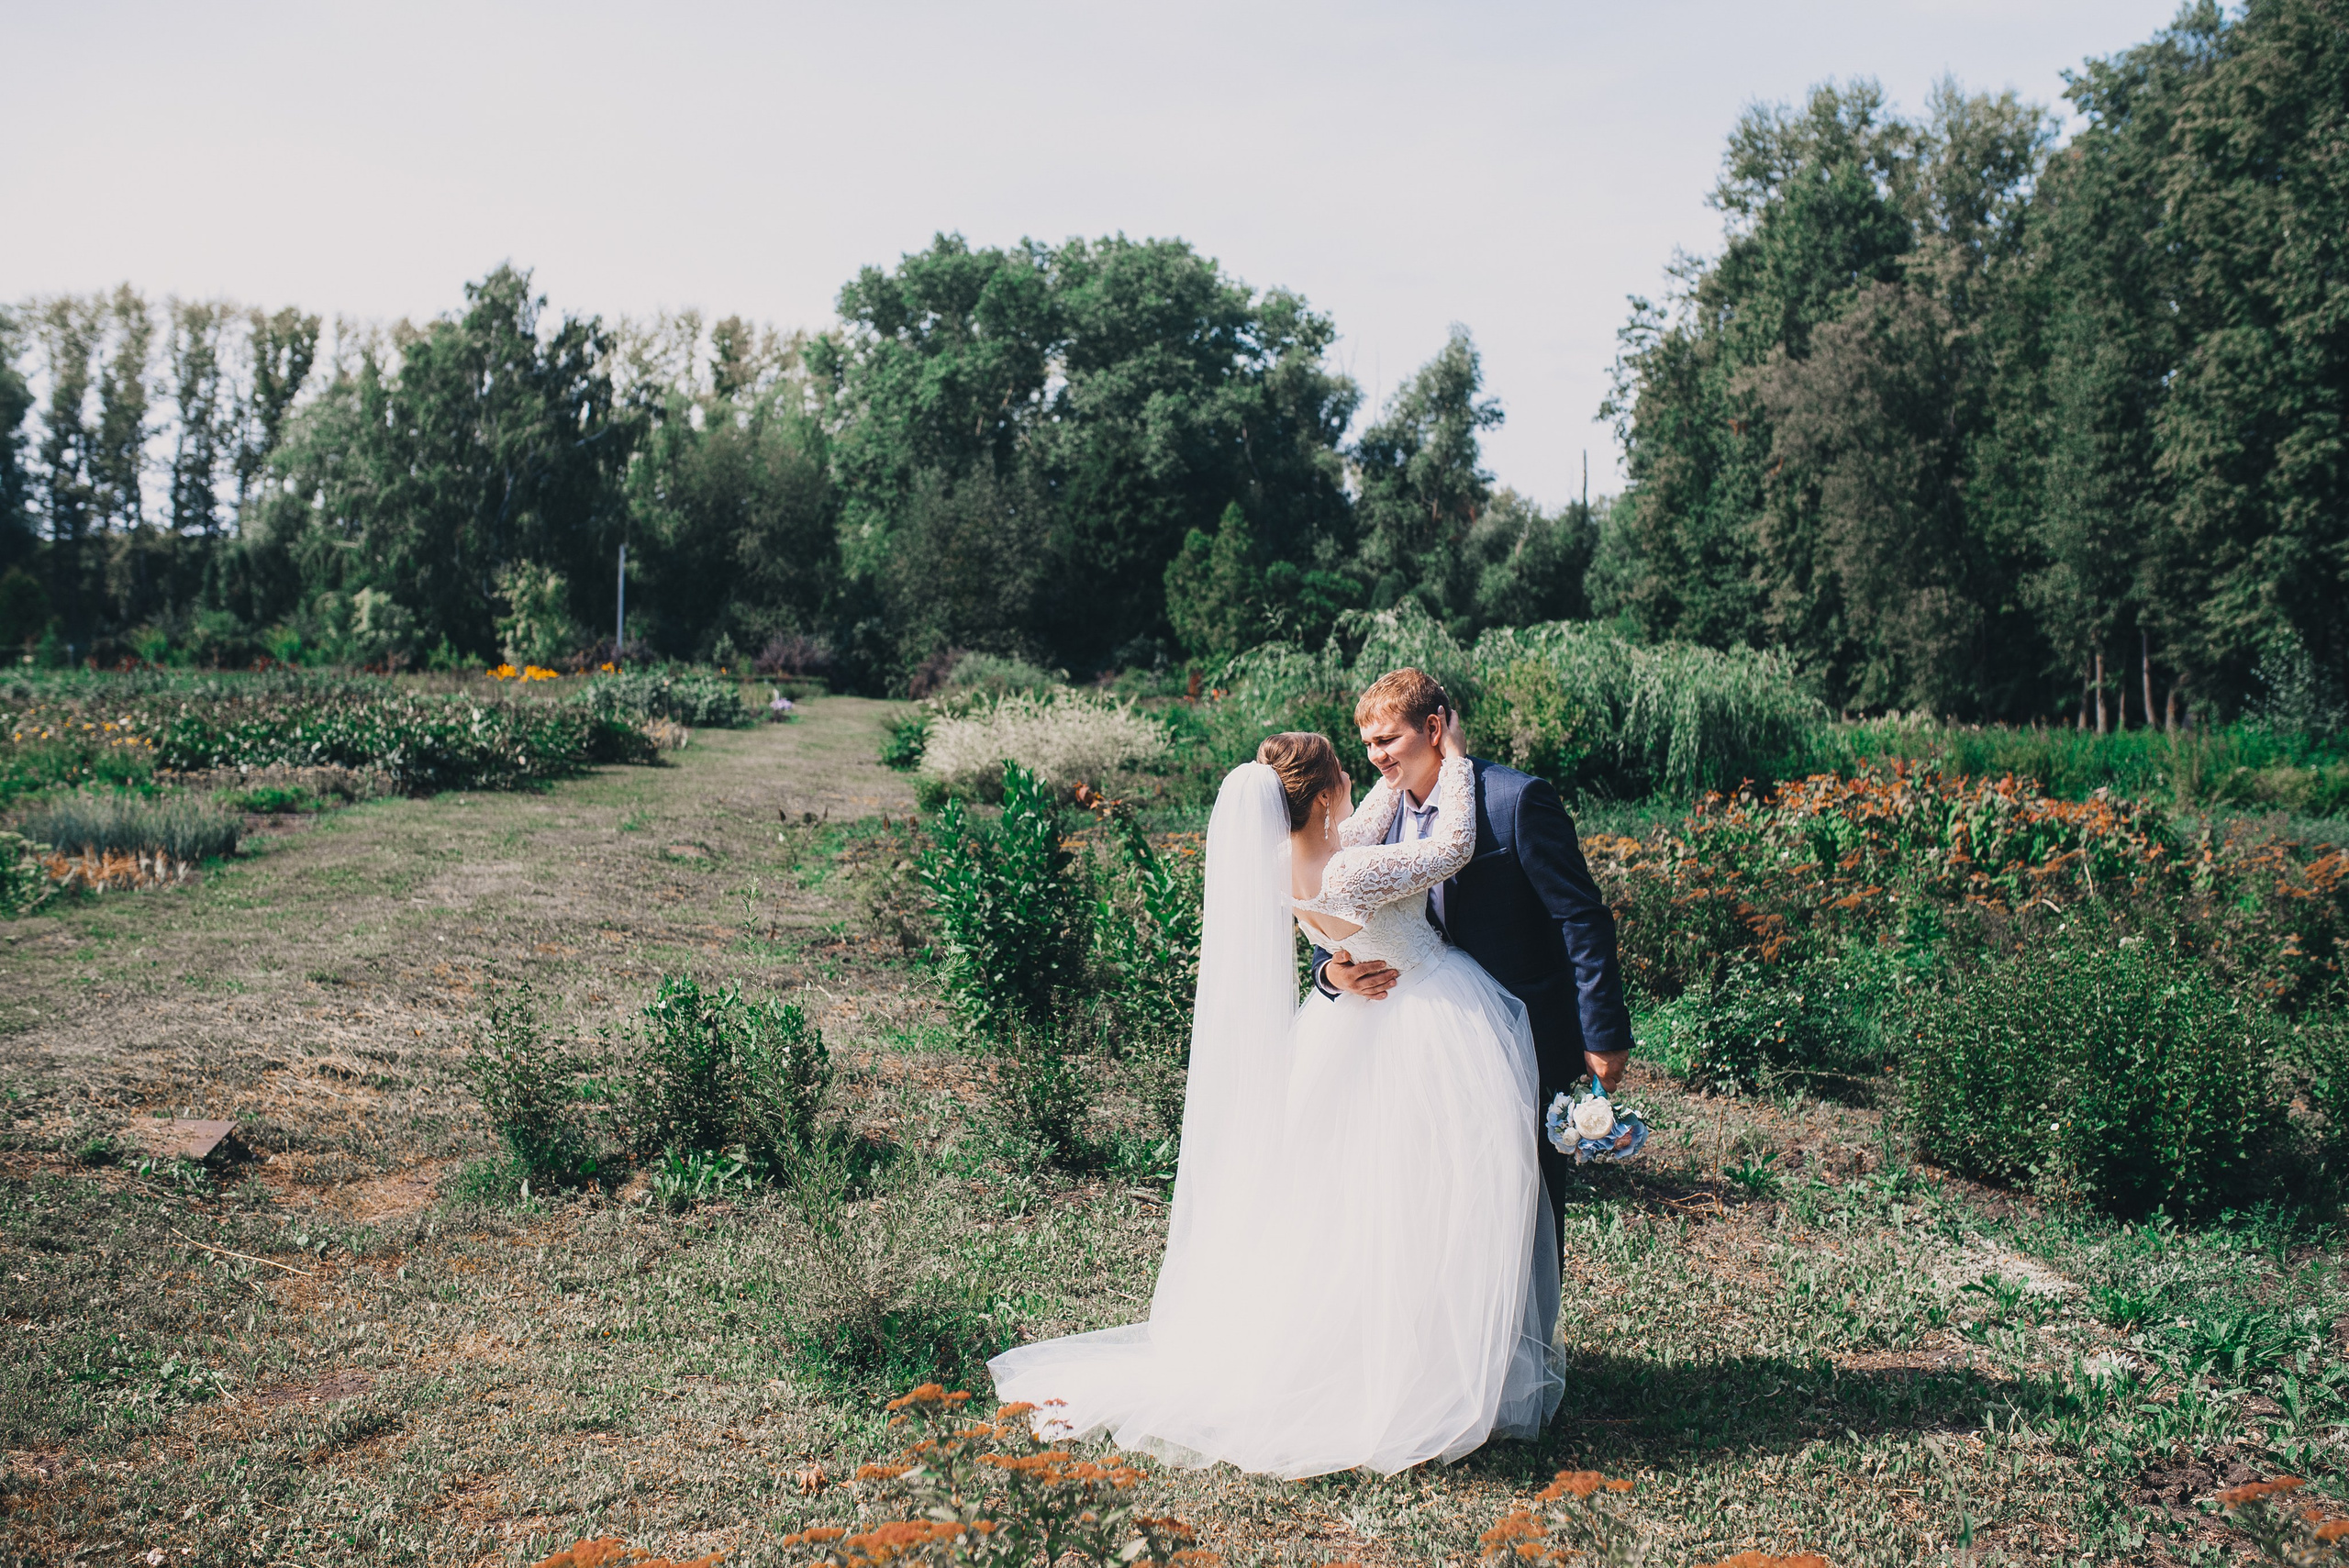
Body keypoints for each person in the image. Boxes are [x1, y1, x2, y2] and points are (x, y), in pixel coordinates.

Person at [986, 720, 1563, 1478]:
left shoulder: (1285, 861)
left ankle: (1382, 1351)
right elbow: (1450, 847)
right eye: (1347, 777)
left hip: (1346, 1027)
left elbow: (1362, 837)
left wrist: (1332, 968)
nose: (1363, 779)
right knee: (1415, 1205)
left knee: (1342, 1209)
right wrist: (1450, 758)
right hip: (1416, 1022)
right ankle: (1412, 1376)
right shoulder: (1352, 870)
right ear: (1325, 797)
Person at [1314, 668, 1633, 1242]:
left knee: (1524, 1199)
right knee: (1432, 1197)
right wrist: (1331, 971)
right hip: (1413, 1043)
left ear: (1433, 728)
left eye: (1386, 740)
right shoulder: (1375, 818)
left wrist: (1603, 1035)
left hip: (1522, 1030)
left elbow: (1580, 918)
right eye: (1367, 745)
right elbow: (1329, 907)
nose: (1376, 758)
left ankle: (1523, 1335)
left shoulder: (1515, 800)